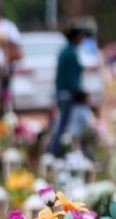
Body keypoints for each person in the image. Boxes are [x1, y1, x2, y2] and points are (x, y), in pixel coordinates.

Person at [47, 27, 89, 157]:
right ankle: (55, 152)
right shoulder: (71, 53)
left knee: (63, 124)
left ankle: (60, 151)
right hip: (68, 93)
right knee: (64, 125)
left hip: (62, 92)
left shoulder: (65, 51)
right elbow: (71, 78)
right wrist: (78, 92)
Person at [0, 8, 22, 115]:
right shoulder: (2, 26)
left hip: (4, 62)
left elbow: (12, 42)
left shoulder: (4, 26)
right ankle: (4, 112)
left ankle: (6, 112)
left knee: (4, 89)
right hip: (1, 62)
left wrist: (6, 55)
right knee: (3, 89)